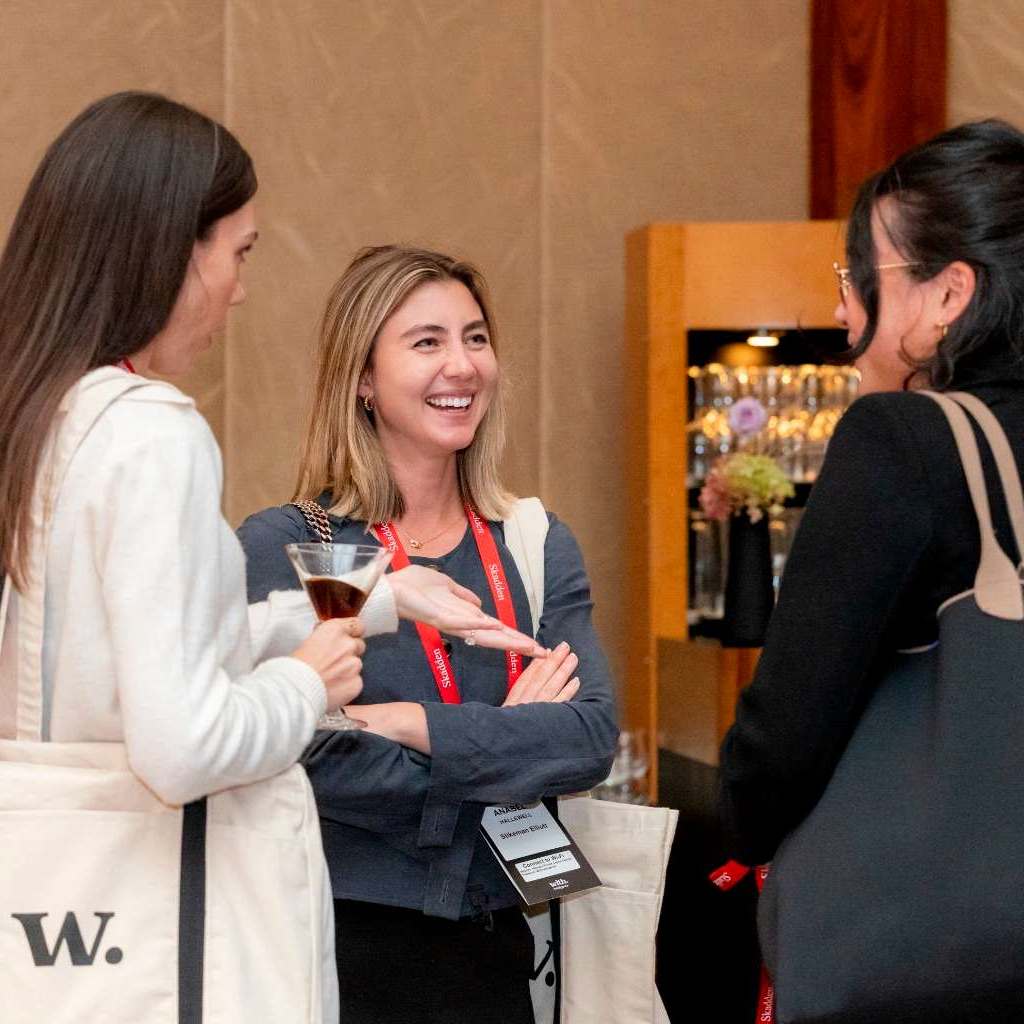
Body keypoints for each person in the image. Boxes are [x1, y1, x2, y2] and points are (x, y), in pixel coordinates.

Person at [0, 93, 538, 1018]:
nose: (241, 286)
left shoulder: (51, 418)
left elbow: (158, 644)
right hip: (162, 921)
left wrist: (377, 599)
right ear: (172, 247)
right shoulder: (155, 434)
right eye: (238, 252)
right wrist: (306, 682)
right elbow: (184, 746)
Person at [238, 244, 619, 1024]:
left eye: (476, 338)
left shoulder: (533, 544)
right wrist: (508, 744)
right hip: (337, 946)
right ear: (364, 380)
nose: (463, 365)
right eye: (427, 342)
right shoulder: (295, 547)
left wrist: (414, 725)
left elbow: (588, 737)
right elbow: (303, 757)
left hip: (497, 952)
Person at [719, 120, 1024, 1017]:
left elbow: (789, 727)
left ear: (949, 294)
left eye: (858, 280)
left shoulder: (905, 442)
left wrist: (746, 820)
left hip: (935, 955)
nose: (844, 313)